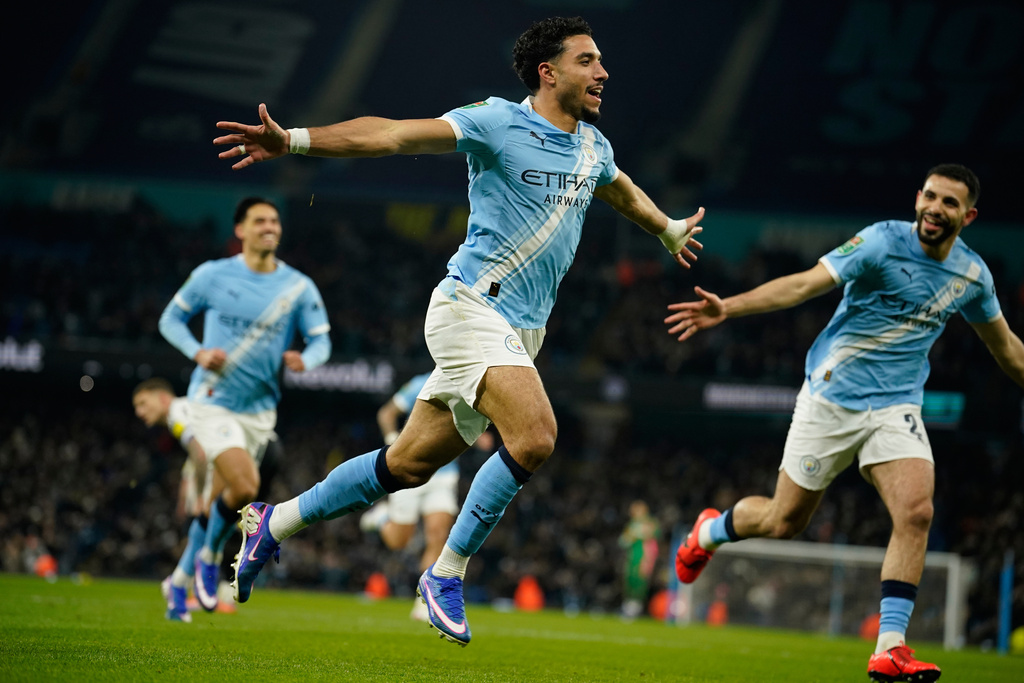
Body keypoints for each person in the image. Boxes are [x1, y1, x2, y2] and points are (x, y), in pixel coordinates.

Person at [215, 16, 705, 647]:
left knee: (407, 466)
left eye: (602, 61)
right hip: (471, 307)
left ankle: (274, 523)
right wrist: (297, 142)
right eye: (587, 61)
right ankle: (445, 573)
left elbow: (619, 191)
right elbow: (391, 135)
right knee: (535, 437)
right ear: (547, 71)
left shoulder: (593, 146)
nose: (603, 72)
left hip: (524, 331)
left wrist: (664, 227)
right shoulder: (497, 121)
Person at [665, 164, 1024, 682]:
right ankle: (710, 531)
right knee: (783, 521)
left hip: (896, 406)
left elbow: (1008, 348)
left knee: (917, 511)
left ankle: (890, 647)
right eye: (929, 196)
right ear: (917, 198)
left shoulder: (971, 276)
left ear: (968, 216)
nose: (934, 209)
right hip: (832, 397)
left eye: (949, 203)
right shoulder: (880, 242)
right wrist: (730, 309)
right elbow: (805, 284)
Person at [158, 197, 332, 613]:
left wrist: (305, 360)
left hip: (259, 411)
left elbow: (322, 341)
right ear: (240, 230)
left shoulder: (298, 286)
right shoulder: (212, 275)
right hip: (212, 402)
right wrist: (198, 352)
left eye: (274, 220)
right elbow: (170, 320)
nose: (269, 226)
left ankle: (178, 585)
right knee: (245, 485)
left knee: (223, 499)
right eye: (259, 221)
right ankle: (208, 562)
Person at [360, 371, 462, 622]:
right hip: (411, 469)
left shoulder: (469, 382)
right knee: (398, 540)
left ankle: (423, 601)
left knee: (437, 536)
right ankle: (383, 517)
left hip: (444, 475)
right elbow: (386, 414)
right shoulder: (421, 383)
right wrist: (394, 442)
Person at [132, 377, 207, 622]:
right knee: (208, 530)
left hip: (219, 466)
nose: (139, 412)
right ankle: (183, 587)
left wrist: (202, 492)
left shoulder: (178, 412)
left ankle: (180, 585)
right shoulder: (182, 413)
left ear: (163, 398)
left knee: (209, 530)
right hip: (220, 467)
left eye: (143, 403)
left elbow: (199, 450)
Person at [618, 500, 660, 620]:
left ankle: (636, 608)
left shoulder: (650, 523)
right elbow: (623, 541)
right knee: (629, 580)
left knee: (640, 581)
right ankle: (628, 606)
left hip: (644, 557)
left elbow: (653, 537)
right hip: (632, 557)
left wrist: (649, 559)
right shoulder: (631, 524)